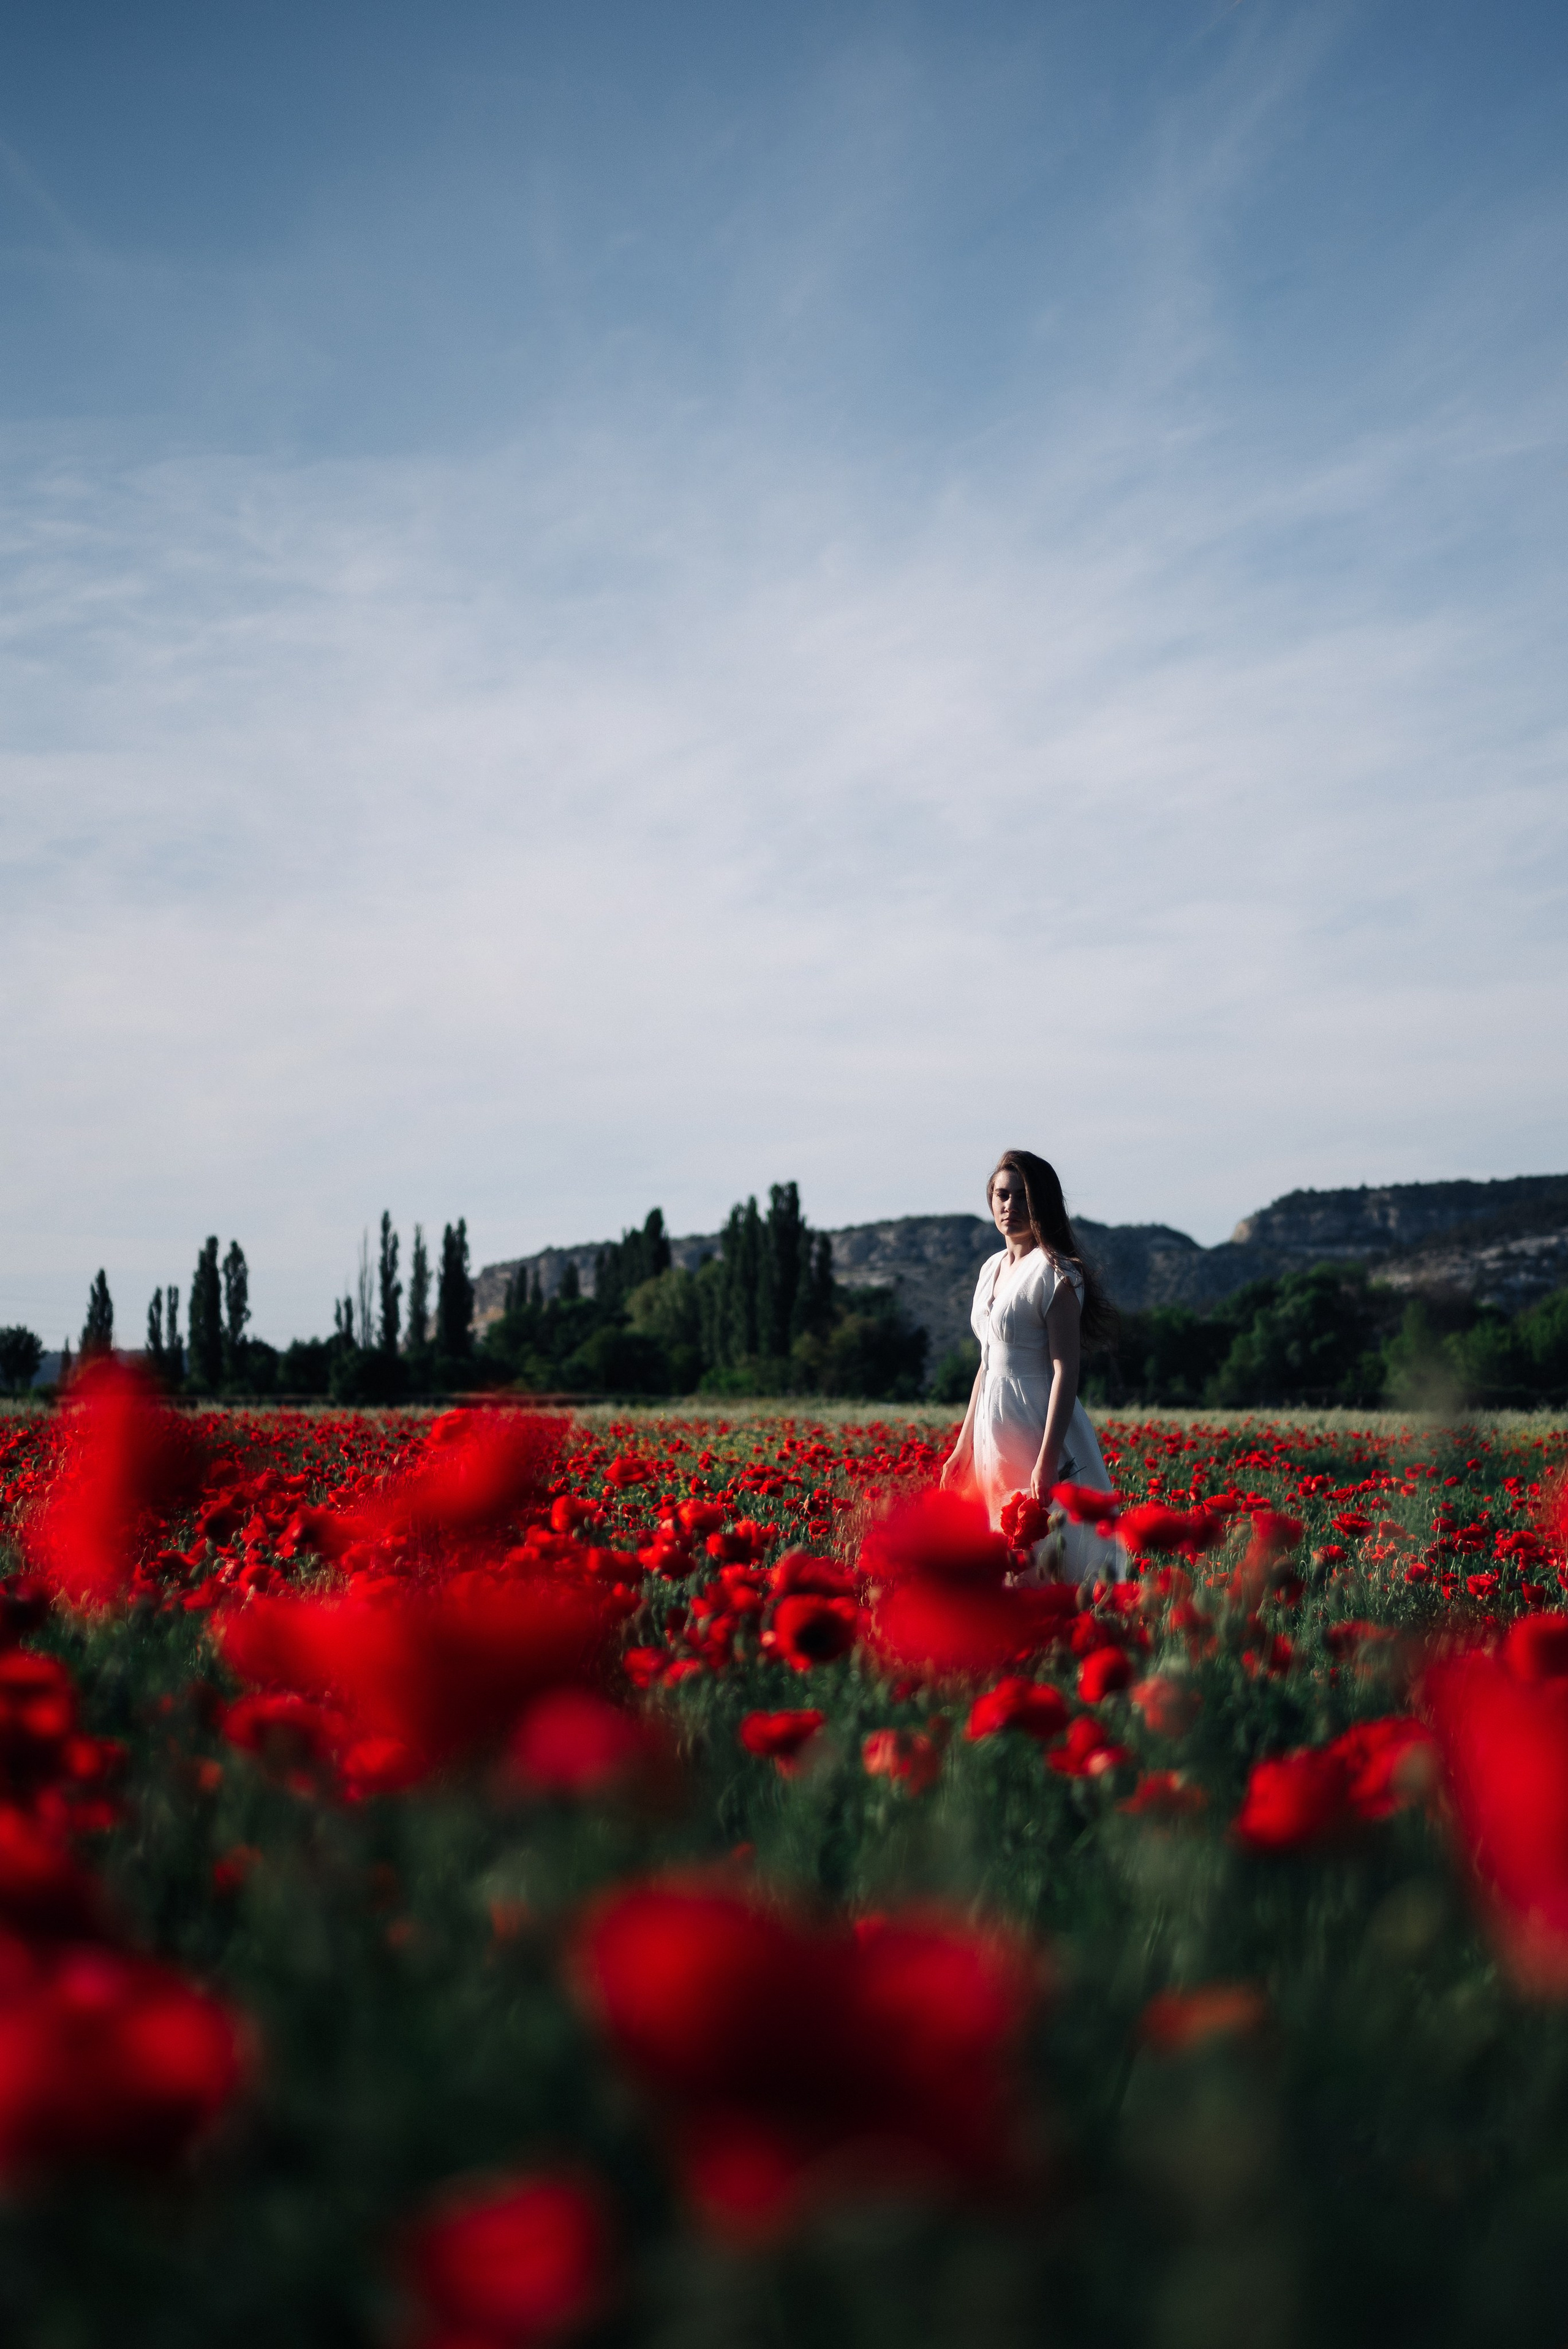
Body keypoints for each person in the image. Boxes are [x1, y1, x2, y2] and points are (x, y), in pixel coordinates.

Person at [940, 1149, 1124, 1583]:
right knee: (1001, 1538)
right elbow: (987, 1365)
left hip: (1036, 1419)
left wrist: (1046, 1458)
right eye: (1002, 1195)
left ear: (1043, 1204)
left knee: (1045, 1541)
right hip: (992, 1424)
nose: (1010, 1206)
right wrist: (962, 1445)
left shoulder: (1056, 1272)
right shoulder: (991, 1269)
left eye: (1023, 1197)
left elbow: (1066, 1370)